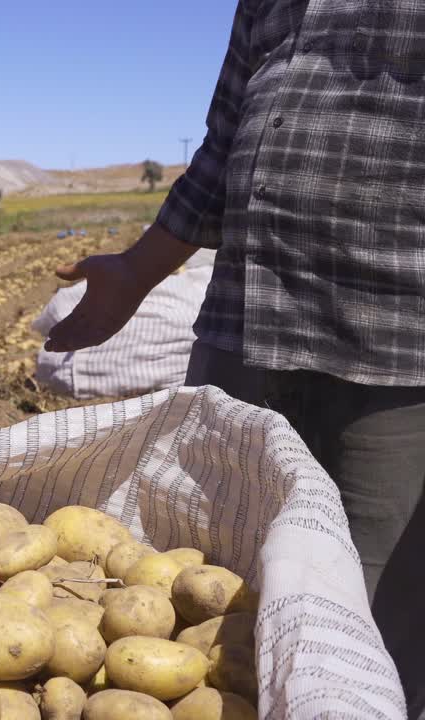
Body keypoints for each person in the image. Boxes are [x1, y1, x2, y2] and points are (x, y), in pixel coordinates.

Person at [45, 1, 424, 710]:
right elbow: (222, 145)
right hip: (242, 325)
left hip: (399, 349)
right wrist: (137, 270)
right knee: (211, 585)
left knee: (368, 625)